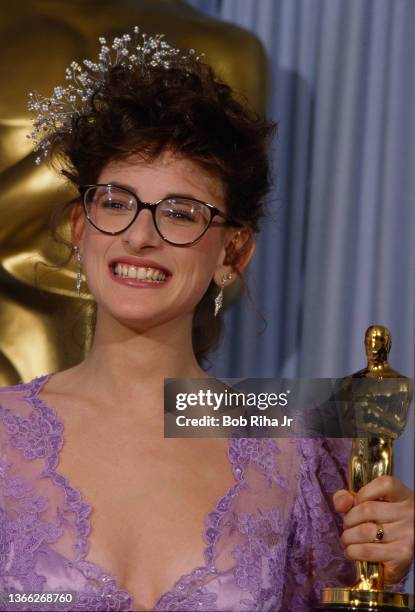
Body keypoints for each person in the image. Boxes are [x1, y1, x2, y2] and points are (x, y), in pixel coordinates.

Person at [0, 28, 413, 612]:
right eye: (117, 202)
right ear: (79, 227)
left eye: (181, 212)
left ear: (233, 254)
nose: (141, 237)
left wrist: (384, 571)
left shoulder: (293, 450)